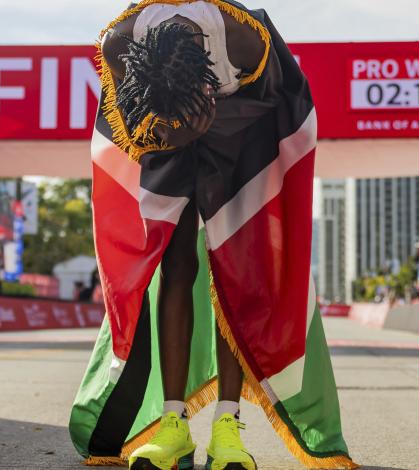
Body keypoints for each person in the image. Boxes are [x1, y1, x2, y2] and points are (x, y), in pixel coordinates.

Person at [70, 2, 356, 469]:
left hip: (249, 123)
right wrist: (168, 133)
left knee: (236, 263)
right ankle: (172, 424)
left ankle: (228, 423)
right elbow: (125, 126)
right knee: (174, 261)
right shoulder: (119, 42)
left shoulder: (244, 38)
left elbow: (279, 103)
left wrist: (211, 126)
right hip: (158, 133)